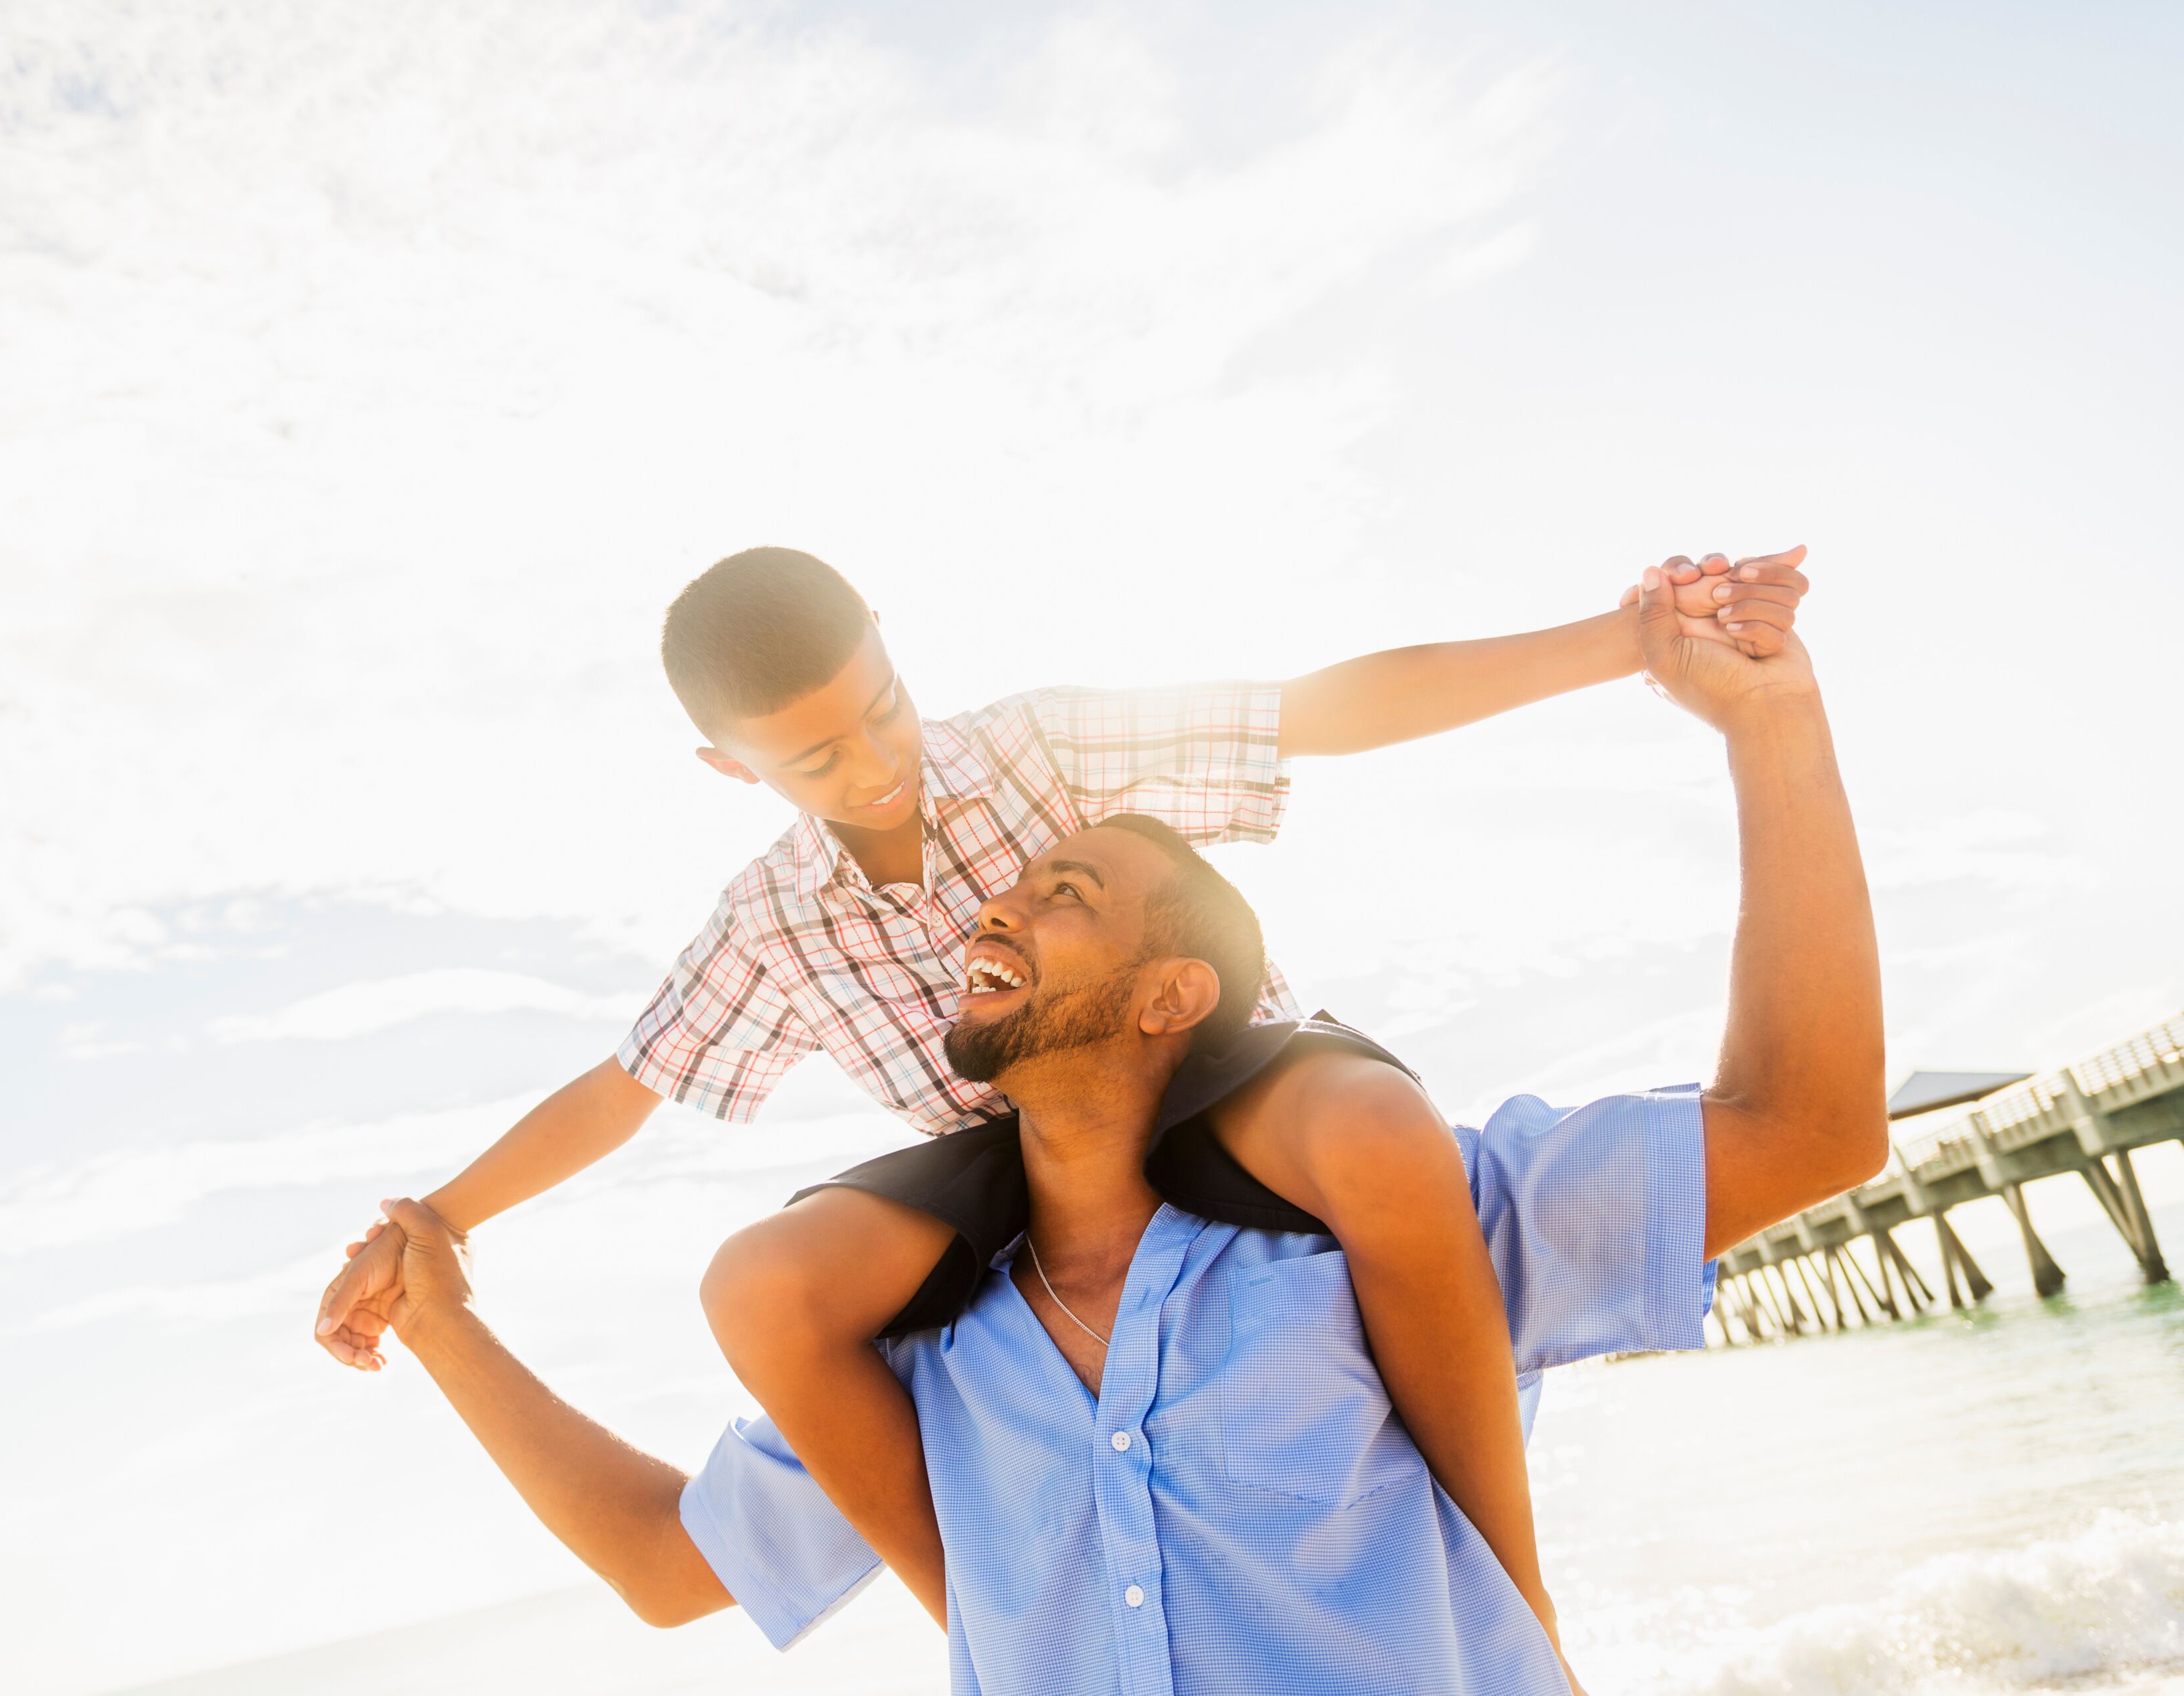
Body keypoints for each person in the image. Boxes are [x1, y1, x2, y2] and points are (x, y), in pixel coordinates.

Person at [357, 567, 1883, 1694]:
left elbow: (1324, 711)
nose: (884, 772)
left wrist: (1632, 646)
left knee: (1366, 1122)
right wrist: (439, 1245)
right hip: (997, 1176)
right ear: (732, 772)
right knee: (762, 1278)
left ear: (896, 644)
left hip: (1244, 1082)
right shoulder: (915, 1340)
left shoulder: (1050, 763)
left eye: (881, 713)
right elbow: (630, 1085)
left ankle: (1511, 1592)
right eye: (821, 762)